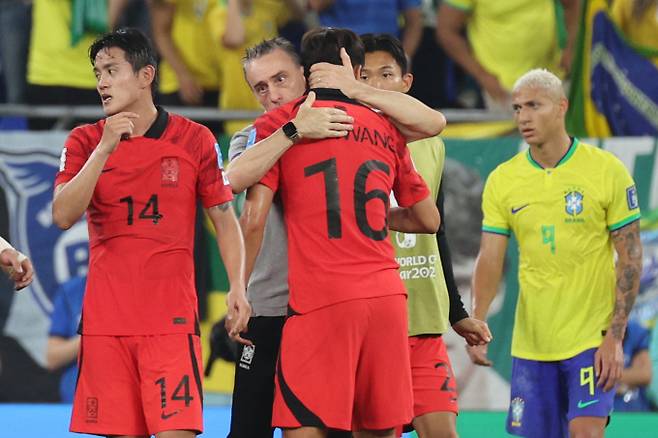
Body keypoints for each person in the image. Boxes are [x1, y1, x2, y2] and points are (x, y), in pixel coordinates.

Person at [227, 35, 447, 437]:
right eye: (260, 87)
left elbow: (251, 216)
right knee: (371, 427)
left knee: (299, 427)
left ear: (305, 73)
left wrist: (236, 289)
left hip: (315, 304)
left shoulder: (273, 125)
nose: (272, 94)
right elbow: (428, 218)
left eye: (280, 79)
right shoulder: (378, 126)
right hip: (374, 296)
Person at [52, 28, 249, 437]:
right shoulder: (84, 140)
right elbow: (63, 215)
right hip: (107, 325)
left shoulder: (195, 139)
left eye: (111, 70)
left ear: (146, 76)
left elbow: (225, 219)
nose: (101, 82)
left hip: (170, 323)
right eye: (96, 73)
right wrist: (104, 148)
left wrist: (238, 287)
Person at [467, 69, 643, 438]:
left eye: (534, 105)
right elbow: (490, 257)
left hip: (589, 339)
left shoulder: (606, 170)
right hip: (532, 343)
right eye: (517, 108)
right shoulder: (504, 179)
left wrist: (614, 337)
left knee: (586, 433)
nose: (523, 117)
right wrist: (478, 319)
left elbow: (630, 257)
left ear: (561, 107)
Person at [357, 33, 491, 438]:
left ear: (406, 83)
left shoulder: (432, 144)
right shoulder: (343, 140)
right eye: (366, 76)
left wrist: (455, 312)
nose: (377, 84)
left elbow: (438, 231)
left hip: (425, 322)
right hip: (374, 325)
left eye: (387, 74)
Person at [436, 0, 579, 110]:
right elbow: (446, 30)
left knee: (559, 144)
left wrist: (571, 48)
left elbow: (573, 5)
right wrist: (483, 76)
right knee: (511, 147)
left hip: (552, 79)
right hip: (503, 90)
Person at [308, 0, 423, 60]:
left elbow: (414, 22)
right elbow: (313, 5)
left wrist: (405, 57)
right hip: (337, 53)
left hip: (384, 53)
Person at [46, 275, 85, 403]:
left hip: (123, 395)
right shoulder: (72, 291)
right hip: (76, 400)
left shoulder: (134, 289)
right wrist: (93, 334)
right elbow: (53, 357)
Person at [614, 319, 653, 412]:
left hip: (635, 410)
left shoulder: (635, 331)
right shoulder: (591, 333)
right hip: (603, 411)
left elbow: (644, 375)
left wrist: (608, 378)